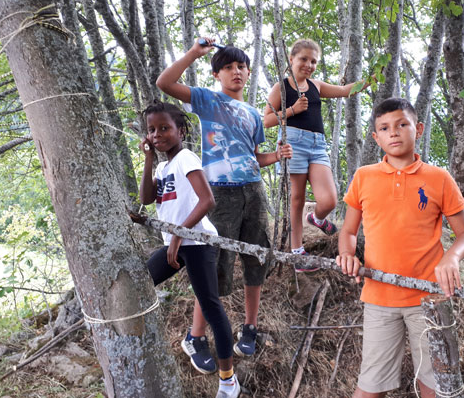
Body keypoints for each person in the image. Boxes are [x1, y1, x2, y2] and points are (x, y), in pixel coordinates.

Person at [156, 38, 293, 371]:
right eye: (229, 67)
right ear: (217, 74)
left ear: (248, 72)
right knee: (213, 265)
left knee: (256, 257)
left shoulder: (253, 115)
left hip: (253, 192)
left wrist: (276, 156)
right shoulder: (208, 100)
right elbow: (165, 83)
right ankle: (196, 336)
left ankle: (249, 328)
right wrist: (194, 52)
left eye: (241, 67)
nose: (237, 72)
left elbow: (253, 157)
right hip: (220, 193)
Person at [336, 98, 464, 398]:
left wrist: (452, 257)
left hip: (430, 299)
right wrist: (348, 254)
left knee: (435, 385)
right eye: (384, 128)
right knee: (370, 384)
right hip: (379, 297)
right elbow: (348, 231)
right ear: (376, 138)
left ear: (419, 129)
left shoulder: (439, 178)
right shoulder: (364, 177)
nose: (394, 132)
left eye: (402, 124)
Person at [139, 100, 240, 398]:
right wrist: (147, 159)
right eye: (152, 130)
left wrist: (178, 237)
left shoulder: (185, 157)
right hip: (178, 243)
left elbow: (207, 200)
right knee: (141, 280)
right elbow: (146, 198)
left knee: (210, 305)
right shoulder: (163, 164)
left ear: (180, 130)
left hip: (197, 243)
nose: (157, 135)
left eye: (164, 128)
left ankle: (228, 381)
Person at [263, 38, 369, 270]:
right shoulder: (281, 87)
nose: (309, 65)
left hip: (317, 145)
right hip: (293, 143)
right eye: (303, 59)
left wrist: (371, 80)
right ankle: (297, 252)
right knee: (297, 199)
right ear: (291, 59)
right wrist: (292, 110)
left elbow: (344, 91)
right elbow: (267, 120)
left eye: (314, 61)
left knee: (329, 198)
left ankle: (318, 219)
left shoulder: (316, 85)